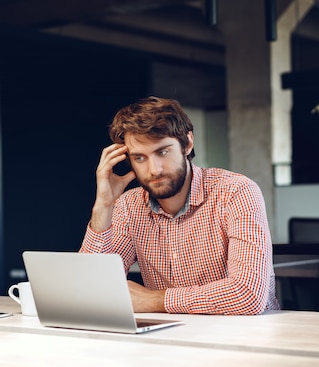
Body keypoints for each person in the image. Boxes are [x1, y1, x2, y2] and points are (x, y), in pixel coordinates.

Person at [80, 96, 279, 315]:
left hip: (245, 337)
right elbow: (89, 288)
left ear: (187, 143)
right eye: (139, 158)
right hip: (171, 337)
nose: (154, 169)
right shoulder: (130, 205)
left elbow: (248, 295)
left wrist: (154, 300)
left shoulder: (236, 192)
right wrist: (104, 204)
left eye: (162, 152)